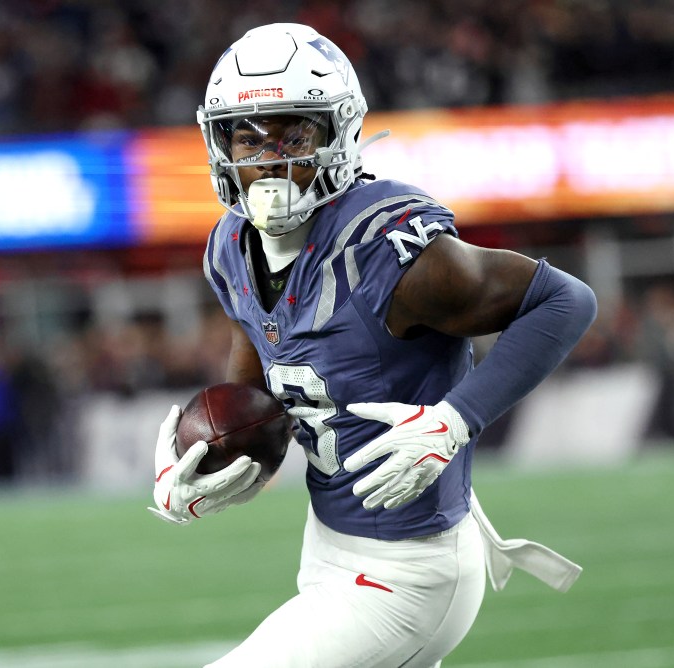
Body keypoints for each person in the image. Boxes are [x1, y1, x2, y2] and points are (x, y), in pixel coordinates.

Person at [148, 23, 597, 668]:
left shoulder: (386, 252)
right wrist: (219, 466)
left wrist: (453, 421)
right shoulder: (231, 247)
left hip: (409, 570)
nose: (268, 161)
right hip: (329, 547)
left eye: (293, 135)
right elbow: (267, 400)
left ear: (339, 134)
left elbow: (566, 300)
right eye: (247, 137)